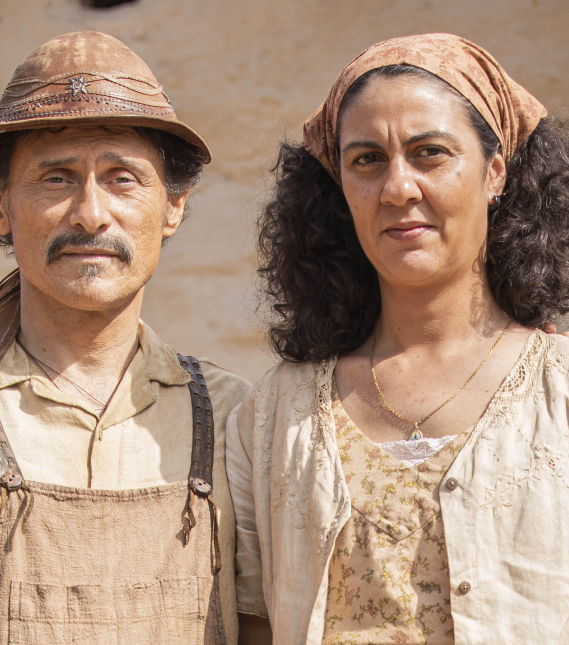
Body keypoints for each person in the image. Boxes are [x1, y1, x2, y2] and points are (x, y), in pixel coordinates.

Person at [0, 31, 249, 644]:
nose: (90, 213)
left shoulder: (235, 414)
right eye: (56, 178)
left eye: (122, 178)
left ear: (174, 207)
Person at [228, 33, 569, 645]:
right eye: (367, 160)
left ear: (495, 173)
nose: (398, 188)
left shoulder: (560, 391)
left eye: (430, 152)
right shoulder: (276, 414)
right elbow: (253, 623)